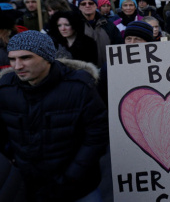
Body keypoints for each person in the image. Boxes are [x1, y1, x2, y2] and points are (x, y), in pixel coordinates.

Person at [0, 31, 108, 201]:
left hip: (78, 188)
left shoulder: (79, 86)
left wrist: (72, 175)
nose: (17, 66)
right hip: (30, 187)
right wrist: (15, 158)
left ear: (47, 57)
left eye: (25, 58)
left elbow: (97, 134)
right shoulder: (5, 89)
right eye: (12, 59)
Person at [77, 0, 123, 67]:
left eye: (90, 3)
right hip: (84, 74)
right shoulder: (74, 27)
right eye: (83, 4)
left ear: (96, 5)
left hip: (108, 71)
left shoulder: (108, 25)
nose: (87, 5)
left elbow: (119, 47)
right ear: (79, 7)